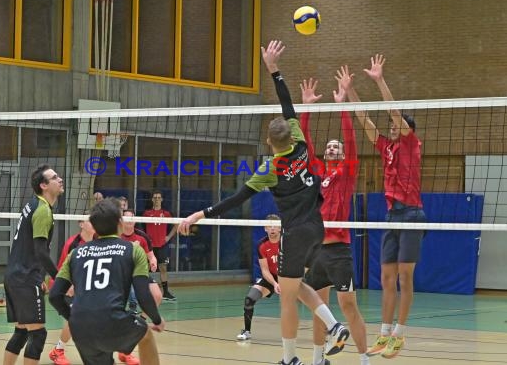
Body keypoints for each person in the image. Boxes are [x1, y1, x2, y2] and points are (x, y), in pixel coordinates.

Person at [179, 40, 349, 365]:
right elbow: (288, 105)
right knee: (294, 287)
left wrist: (201, 213)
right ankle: (311, 343)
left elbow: (237, 198)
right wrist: (274, 69)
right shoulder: (299, 142)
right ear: (290, 134)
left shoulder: (270, 168)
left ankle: (321, 335)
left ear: (269, 141)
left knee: (290, 291)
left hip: (296, 232)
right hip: (319, 227)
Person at [352, 54, 426, 359]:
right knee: (386, 278)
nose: (391, 126)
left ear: (406, 128)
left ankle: (400, 334)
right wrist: (349, 94)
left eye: (397, 124)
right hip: (392, 215)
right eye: (391, 126)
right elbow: (365, 122)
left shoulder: (411, 143)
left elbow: (393, 112)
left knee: (405, 278)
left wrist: (379, 80)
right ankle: (383, 334)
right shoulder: (387, 147)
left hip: (411, 214)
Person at [300, 70, 370, 365]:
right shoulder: (317, 172)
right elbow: (304, 145)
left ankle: (364, 359)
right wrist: (306, 108)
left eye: (336, 146)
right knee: (319, 307)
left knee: (349, 306)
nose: (332, 148)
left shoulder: (348, 172)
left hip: (338, 250)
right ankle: (318, 360)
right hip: (316, 249)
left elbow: (351, 139)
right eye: (329, 146)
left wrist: (342, 104)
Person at [49, 199, 164, 365]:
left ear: (94, 226)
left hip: (81, 328)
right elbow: (143, 294)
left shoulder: (76, 253)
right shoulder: (133, 249)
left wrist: (73, 317)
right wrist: (157, 320)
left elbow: (54, 296)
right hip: (113, 320)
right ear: (120, 223)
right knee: (145, 335)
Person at [3, 164, 64, 365]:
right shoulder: (42, 210)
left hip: (15, 276)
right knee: (37, 335)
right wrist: (61, 280)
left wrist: (40, 277)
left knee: (21, 332)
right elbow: (40, 251)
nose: (60, 179)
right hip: (25, 278)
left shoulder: (32, 205)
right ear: (44, 186)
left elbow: (28, 247)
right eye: (55, 177)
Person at [48, 217, 96, 365]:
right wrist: (70, 285)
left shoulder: (98, 242)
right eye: (90, 221)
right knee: (75, 316)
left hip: (83, 287)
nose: (94, 223)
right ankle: (58, 350)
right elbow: (63, 269)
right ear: (81, 224)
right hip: (64, 286)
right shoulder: (73, 244)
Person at [118, 209, 162, 365]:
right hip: (122, 274)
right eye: (126, 218)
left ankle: (140, 321)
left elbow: (150, 254)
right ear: (121, 221)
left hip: (139, 272)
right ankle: (125, 349)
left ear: (135, 221)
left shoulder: (142, 237)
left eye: (132, 218)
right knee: (127, 306)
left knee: (156, 295)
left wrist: (153, 260)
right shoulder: (116, 236)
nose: (129, 220)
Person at [236, 214, 281, 341]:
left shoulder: (286, 241)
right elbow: (265, 270)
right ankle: (247, 331)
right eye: (269, 226)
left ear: (280, 228)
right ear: (265, 228)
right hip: (271, 278)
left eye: (275, 226)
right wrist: (275, 284)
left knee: (310, 299)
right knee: (249, 299)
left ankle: (328, 328)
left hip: (288, 276)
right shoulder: (262, 245)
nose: (272, 228)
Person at [143, 190, 178, 301]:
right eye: (155, 197)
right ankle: (144, 291)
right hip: (150, 246)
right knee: (147, 269)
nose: (157, 199)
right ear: (152, 200)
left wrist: (168, 237)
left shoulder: (166, 214)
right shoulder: (147, 213)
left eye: (159, 197)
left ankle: (165, 292)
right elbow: (140, 227)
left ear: (162, 199)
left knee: (163, 268)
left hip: (162, 245)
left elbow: (176, 225)